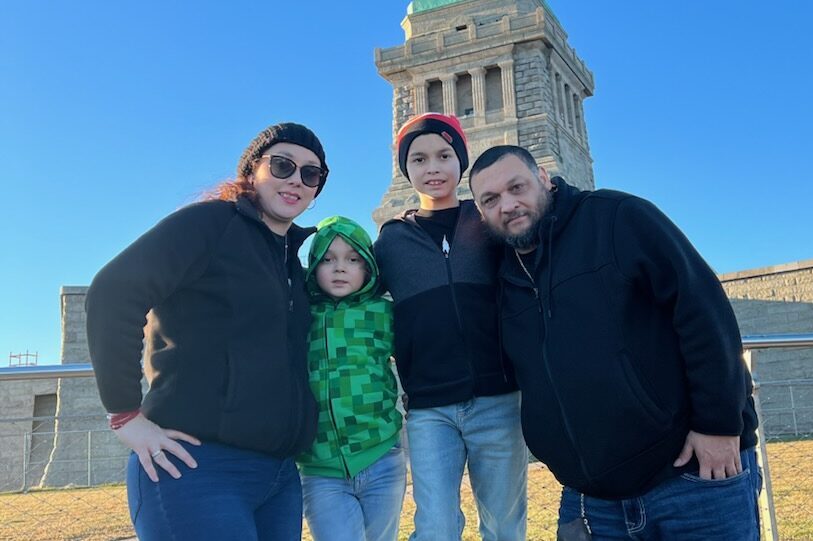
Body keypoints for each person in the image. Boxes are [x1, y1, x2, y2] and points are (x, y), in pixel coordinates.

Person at [468, 145, 762, 541]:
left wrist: (719, 425)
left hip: (691, 478)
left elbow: (704, 312)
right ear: (481, 213)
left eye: (516, 187)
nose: (508, 204)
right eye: (491, 199)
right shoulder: (501, 276)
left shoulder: (617, 218)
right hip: (590, 501)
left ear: (543, 179)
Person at [86, 122, 328, 540]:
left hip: (279, 477)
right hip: (197, 468)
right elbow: (112, 292)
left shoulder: (291, 262)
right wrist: (125, 414)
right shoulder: (211, 224)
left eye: (311, 174)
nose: (296, 181)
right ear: (252, 170)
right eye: (283, 165)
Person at [373, 113, 527, 541]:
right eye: (419, 160)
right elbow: (353, 294)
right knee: (435, 527)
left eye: (444, 156)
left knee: (504, 524)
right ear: (407, 170)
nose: (433, 168)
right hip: (428, 410)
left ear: (461, 162)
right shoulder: (390, 241)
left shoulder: (488, 224)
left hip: (499, 402)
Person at [297, 215, 406, 541]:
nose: (340, 267)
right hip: (320, 470)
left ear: (368, 268)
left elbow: (417, 360)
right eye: (327, 259)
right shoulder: (301, 316)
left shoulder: (384, 313)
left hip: (382, 457)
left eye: (352, 259)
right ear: (313, 267)